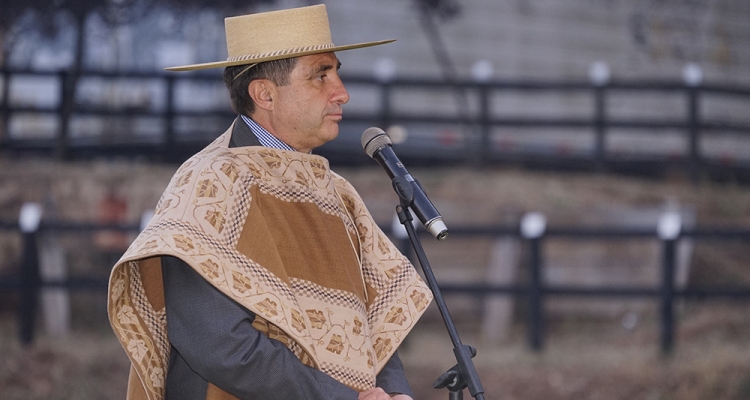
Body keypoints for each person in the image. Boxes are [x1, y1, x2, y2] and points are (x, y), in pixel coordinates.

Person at [107, 5, 433, 400]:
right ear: (265, 94)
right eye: (320, 75)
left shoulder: (337, 192)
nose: (341, 92)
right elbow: (219, 344)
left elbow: (373, 324)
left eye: (336, 72)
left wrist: (394, 394)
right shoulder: (211, 183)